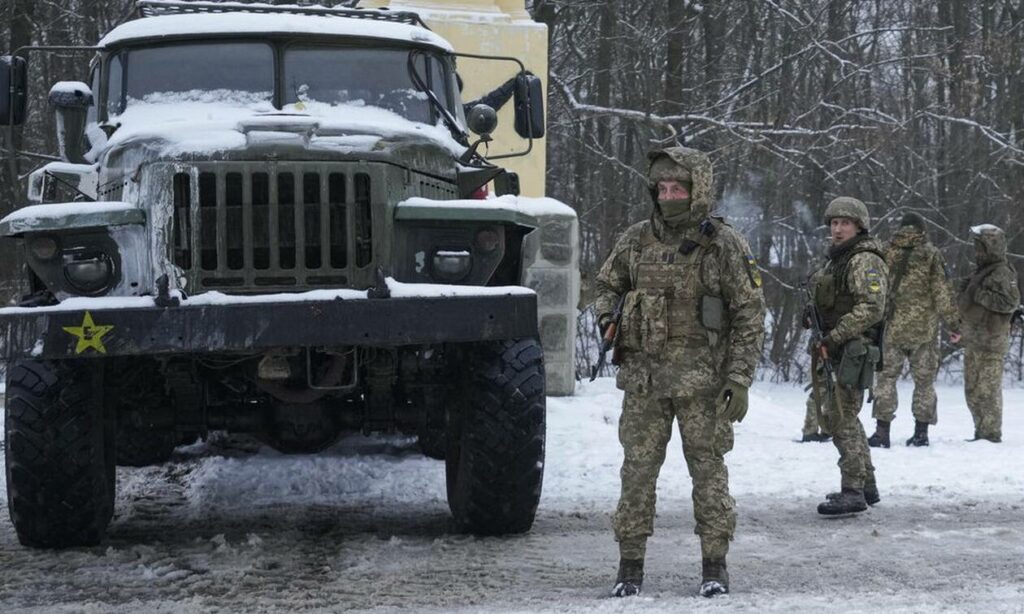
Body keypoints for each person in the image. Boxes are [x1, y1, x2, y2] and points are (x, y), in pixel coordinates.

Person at [594, 146, 764, 598]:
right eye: (662, 188)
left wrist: (740, 377)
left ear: (698, 191)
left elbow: (749, 312)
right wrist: (608, 314)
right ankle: (629, 567)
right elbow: (606, 285)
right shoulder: (636, 239)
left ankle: (715, 566)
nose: (669, 196)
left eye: (678, 188)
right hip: (645, 381)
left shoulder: (723, 244)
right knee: (637, 474)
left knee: (709, 475)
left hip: (703, 385)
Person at [806, 197, 887, 515]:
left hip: (852, 350)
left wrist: (835, 335)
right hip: (837, 349)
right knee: (845, 417)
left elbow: (872, 307)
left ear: (859, 227)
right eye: (834, 223)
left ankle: (852, 490)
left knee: (840, 417)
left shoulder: (864, 259)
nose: (838, 229)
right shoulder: (837, 259)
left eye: (845, 223)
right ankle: (866, 486)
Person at [868, 212, 960, 448]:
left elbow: (874, 287)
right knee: (925, 382)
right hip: (924, 331)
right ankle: (921, 433)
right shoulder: (930, 253)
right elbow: (942, 291)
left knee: (886, 378)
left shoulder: (887, 251)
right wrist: (953, 324)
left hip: (892, 328)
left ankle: (882, 432)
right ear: (922, 230)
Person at [957, 224, 1020, 443]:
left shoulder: (1002, 271)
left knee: (988, 391)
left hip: (992, 341)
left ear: (992, 247)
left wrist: (979, 293)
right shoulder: (981, 270)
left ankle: (991, 435)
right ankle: (980, 431)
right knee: (972, 390)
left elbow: (1010, 302)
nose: (977, 252)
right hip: (974, 339)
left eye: (981, 247)